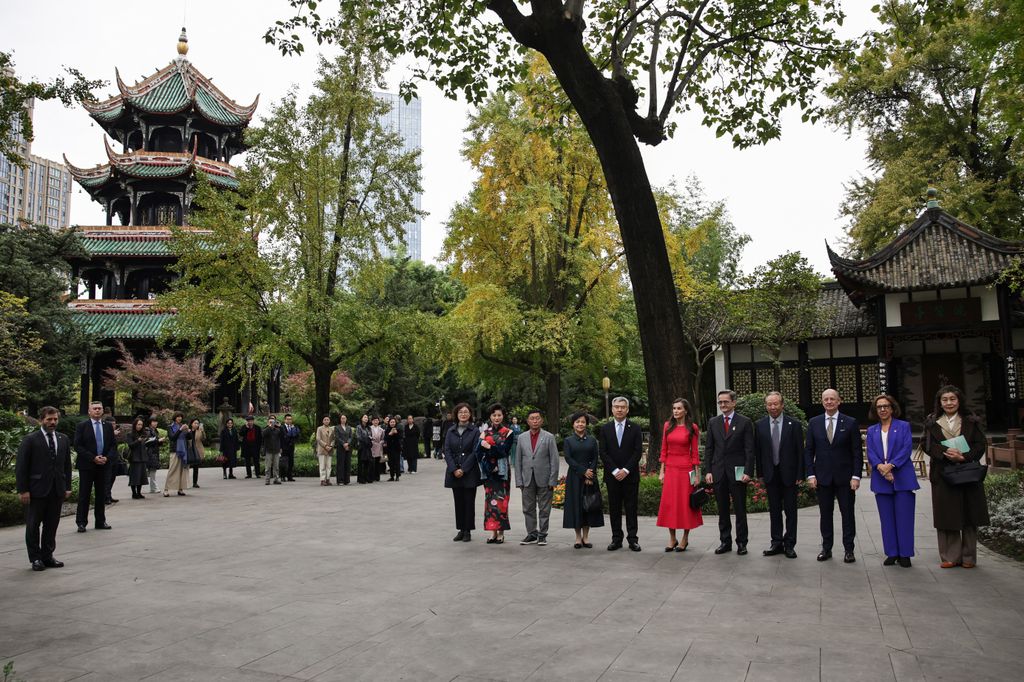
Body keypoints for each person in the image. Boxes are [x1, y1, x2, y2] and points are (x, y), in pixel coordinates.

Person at [922, 385, 989, 569]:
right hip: (943, 473)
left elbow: (980, 444)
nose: (949, 403)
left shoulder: (971, 420)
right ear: (939, 402)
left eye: (952, 399)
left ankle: (968, 557)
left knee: (969, 515)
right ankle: (950, 556)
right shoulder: (932, 421)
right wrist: (945, 452)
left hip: (967, 472)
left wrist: (964, 456)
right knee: (947, 516)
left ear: (959, 401)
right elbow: (926, 444)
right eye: (945, 399)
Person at [805, 388, 863, 563]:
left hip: (845, 478)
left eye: (832, 399)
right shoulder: (814, 422)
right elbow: (809, 451)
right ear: (822, 402)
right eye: (826, 399)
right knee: (825, 515)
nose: (829, 402)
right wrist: (810, 474)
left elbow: (857, 452)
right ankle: (826, 548)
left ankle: (849, 549)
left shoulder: (850, 422)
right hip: (822, 477)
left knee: (848, 514)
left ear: (839, 401)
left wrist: (856, 476)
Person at [16, 406, 72, 571]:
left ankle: (48, 556)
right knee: (33, 526)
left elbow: (67, 465)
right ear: (41, 420)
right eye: (49, 419)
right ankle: (35, 558)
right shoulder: (30, 440)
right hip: (36, 490)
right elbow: (21, 467)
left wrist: (67, 486)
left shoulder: (63, 439)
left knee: (51, 525)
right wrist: (23, 490)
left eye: (55, 419)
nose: (53, 422)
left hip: (56, 490)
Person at [866, 394, 919, 567]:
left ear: (892, 408)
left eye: (886, 406)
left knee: (904, 518)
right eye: (879, 407)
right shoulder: (872, 430)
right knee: (886, 519)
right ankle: (892, 552)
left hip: (902, 476)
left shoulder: (903, 426)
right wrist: (881, 467)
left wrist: (891, 466)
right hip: (881, 478)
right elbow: (870, 452)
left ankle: (905, 554)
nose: (882, 409)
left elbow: (906, 448)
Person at [754, 392, 804, 558]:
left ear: (782, 405)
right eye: (769, 404)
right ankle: (776, 542)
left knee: (791, 511)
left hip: (790, 474)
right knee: (774, 511)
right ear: (766, 406)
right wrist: (760, 474)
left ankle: (789, 544)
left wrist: (800, 473)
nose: (773, 407)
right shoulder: (759, 425)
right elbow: (758, 452)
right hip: (770, 474)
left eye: (776, 404)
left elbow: (800, 451)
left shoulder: (794, 424)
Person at [705, 389, 755, 555]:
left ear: (734, 402)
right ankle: (725, 542)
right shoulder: (713, 422)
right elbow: (709, 448)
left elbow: (749, 449)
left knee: (740, 509)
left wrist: (748, 471)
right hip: (719, 471)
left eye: (726, 402)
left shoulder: (745, 422)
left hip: (738, 472)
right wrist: (708, 471)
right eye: (720, 402)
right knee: (722, 510)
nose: (723, 405)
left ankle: (742, 543)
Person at [656, 398, 703, 552]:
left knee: (685, 505)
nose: (675, 411)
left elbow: (695, 453)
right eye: (674, 408)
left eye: (679, 408)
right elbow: (664, 450)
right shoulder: (667, 426)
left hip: (686, 470)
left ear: (685, 411)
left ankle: (685, 538)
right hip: (670, 469)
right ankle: (672, 538)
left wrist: (697, 475)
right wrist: (662, 472)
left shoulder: (692, 428)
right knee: (670, 504)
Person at [599, 397, 644, 551]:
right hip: (612, 476)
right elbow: (603, 452)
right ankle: (616, 539)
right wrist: (614, 470)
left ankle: (633, 539)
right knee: (614, 508)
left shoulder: (635, 428)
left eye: (622, 407)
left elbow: (637, 452)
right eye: (616, 407)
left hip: (630, 476)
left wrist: (625, 470)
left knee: (631, 508)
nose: (619, 409)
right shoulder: (605, 428)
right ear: (612, 409)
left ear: (627, 409)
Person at [516, 409, 560, 547]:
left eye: (537, 418)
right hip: (527, 479)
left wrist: (553, 480)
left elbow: (554, 460)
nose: (535, 421)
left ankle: (542, 535)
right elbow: (518, 461)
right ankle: (532, 534)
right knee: (528, 508)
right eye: (532, 418)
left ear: (542, 420)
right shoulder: (521, 438)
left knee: (544, 509)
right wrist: (519, 480)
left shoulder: (549, 437)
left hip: (545, 479)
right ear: (528, 421)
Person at [563, 410, 603, 548]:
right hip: (575, 477)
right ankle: (578, 538)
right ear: (573, 424)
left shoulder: (592, 440)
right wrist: (583, 471)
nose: (580, 424)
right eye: (577, 422)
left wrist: (590, 473)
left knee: (588, 506)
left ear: (586, 424)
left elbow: (595, 458)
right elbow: (568, 458)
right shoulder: (568, 441)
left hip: (590, 477)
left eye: (583, 422)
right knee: (576, 506)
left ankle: (586, 537)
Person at [73, 401, 116, 532]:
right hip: (87, 465)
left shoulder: (108, 426)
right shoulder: (82, 426)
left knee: (101, 494)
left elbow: (113, 445)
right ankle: (81, 522)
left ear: (102, 411)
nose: (97, 410)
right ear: (89, 411)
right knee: (84, 494)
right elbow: (78, 445)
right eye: (95, 408)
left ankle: (100, 521)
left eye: (99, 408)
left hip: (103, 465)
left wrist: (107, 457)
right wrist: (93, 458)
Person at [477, 403, 514, 544]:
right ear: (490, 417)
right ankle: (493, 532)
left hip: (502, 472)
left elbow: (504, 451)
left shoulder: (508, 432)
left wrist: (488, 447)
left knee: (502, 501)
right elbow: (478, 452)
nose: (496, 418)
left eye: (499, 415)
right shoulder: (485, 432)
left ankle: (501, 533)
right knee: (490, 501)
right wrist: (492, 450)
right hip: (489, 472)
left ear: (503, 416)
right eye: (494, 415)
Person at [444, 403, 481, 541]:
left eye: (466, 412)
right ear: (456, 414)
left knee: (469, 502)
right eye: (460, 412)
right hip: (454, 471)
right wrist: (454, 469)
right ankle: (460, 529)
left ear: (470, 414)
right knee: (458, 502)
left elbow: (475, 451)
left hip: (469, 472)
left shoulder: (475, 431)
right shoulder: (451, 430)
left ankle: (468, 531)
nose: (463, 414)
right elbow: (447, 450)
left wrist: (463, 469)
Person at [125, 417, 150, 499]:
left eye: (141, 425)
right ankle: (134, 493)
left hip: (142, 457)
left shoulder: (143, 434)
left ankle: (139, 492)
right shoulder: (130, 434)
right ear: (135, 425)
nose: (140, 426)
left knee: (142, 476)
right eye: (138, 424)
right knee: (134, 476)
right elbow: (130, 445)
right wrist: (138, 440)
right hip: (134, 458)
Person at [164, 419, 190, 497]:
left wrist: (188, 431)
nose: (179, 418)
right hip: (175, 451)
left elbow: (189, 438)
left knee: (182, 471)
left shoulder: (183, 426)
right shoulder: (170, 427)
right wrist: (180, 429)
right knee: (172, 470)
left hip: (183, 451)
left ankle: (180, 489)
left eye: (181, 417)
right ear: (175, 418)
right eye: (178, 417)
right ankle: (166, 489)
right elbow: (172, 437)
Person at [145, 416, 164, 493]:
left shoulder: (155, 431)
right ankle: (154, 487)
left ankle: (153, 487)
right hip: (150, 452)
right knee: (152, 470)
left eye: (156, 421)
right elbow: (147, 442)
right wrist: (157, 441)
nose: (155, 423)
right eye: (154, 422)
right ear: (150, 423)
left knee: (153, 470)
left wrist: (160, 442)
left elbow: (155, 443)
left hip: (154, 452)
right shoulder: (148, 431)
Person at [263, 415, 284, 485]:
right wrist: (269, 427)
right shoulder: (266, 429)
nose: (272, 423)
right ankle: (267, 479)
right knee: (268, 466)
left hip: (276, 450)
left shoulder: (277, 430)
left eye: (273, 422)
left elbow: (283, 435)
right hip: (268, 450)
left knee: (276, 466)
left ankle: (276, 479)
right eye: (270, 422)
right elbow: (263, 434)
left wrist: (280, 426)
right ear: (268, 422)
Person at [315, 415, 334, 486]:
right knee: (322, 465)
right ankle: (322, 480)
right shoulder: (319, 428)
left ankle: (328, 479)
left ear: (329, 421)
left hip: (330, 450)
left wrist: (331, 446)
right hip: (322, 449)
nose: (326, 421)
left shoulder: (332, 429)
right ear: (323, 421)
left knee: (329, 466)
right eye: (325, 420)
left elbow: (333, 439)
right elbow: (318, 438)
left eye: (327, 419)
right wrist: (325, 445)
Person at [334, 414, 353, 485]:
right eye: (342, 418)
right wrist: (343, 443)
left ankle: (346, 480)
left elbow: (351, 437)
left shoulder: (349, 427)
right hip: (340, 447)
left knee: (347, 463)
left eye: (344, 418)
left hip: (348, 447)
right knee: (340, 464)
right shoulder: (337, 427)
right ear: (340, 419)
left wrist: (347, 443)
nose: (343, 419)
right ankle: (340, 480)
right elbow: (337, 437)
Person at [281, 414, 300, 482]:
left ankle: (289, 476)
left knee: (291, 462)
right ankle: (283, 476)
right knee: (283, 463)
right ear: (285, 420)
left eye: (290, 419)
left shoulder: (293, 427)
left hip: (291, 447)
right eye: (288, 419)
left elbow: (296, 436)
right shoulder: (282, 427)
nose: (289, 421)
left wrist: (295, 431)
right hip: (284, 447)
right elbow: (282, 437)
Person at [356, 414, 374, 484]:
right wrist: (366, 440)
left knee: (368, 462)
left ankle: (366, 477)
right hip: (362, 446)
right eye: (364, 417)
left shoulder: (369, 427)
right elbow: (358, 436)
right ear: (361, 418)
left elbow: (371, 436)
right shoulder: (359, 427)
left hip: (368, 447)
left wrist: (369, 440)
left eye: (367, 417)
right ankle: (361, 479)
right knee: (361, 463)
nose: (366, 418)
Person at [189, 418, 205, 488]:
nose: (196, 424)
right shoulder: (188, 431)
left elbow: (204, 439)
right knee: (186, 467)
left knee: (196, 467)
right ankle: (185, 482)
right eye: (195, 423)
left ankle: (195, 483)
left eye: (198, 423)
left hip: (197, 450)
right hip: (189, 450)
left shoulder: (200, 431)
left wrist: (203, 432)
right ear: (191, 424)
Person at [370, 416, 386, 481]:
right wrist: (372, 441)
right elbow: (369, 436)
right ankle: (372, 476)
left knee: (378, 462)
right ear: (372, 421)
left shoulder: (381, 429)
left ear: (378, 421)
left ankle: (377, 477)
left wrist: (381, 442)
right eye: (374, 420)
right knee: (372, 463)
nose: (376, 422)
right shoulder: (369, 428)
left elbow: (383, 438)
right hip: (372, 446)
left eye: (377, 420)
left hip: (379, 447)